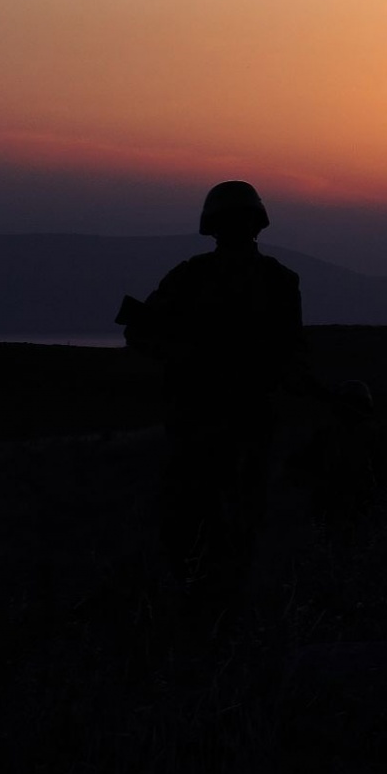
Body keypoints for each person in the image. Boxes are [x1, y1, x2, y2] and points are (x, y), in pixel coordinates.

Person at [117, 180, 322, 608]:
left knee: (226, 528)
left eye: (240, 220)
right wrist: (186, 357)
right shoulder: (213, 278)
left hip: (232, 423)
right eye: (234, 221)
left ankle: (216, 610)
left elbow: (292, 351)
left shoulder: (257, 280)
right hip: (206, 423)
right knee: (202, 527)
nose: (237, 228)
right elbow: (142, 332)